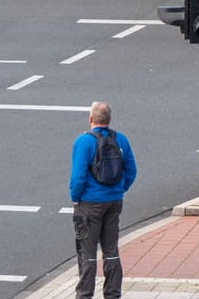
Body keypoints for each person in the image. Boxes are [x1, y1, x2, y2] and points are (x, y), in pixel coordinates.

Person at [69, 101, 137, 299]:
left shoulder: (84, 142)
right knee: (111, 251)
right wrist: (119, 189)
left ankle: (84, 295)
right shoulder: (121, 140)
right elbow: (131, 171)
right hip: (114, 202)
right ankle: (113, 294)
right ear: (109, 120)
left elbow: (78, 177)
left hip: (89, 204)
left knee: (87, 254)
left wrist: (75, 198)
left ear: (91, 119)